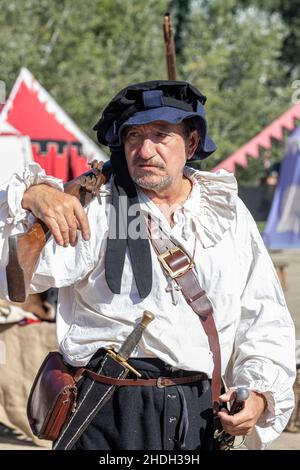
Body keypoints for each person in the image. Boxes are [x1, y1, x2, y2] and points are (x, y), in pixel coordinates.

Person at [0, 80, 295, 450]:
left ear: (190, 143)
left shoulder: (228, 214)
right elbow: (11, 271)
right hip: (107, 410)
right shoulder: (96, 206)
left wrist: (260, 394)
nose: (144, 149)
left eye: (161, 134)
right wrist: (30, 197)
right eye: (134, 136)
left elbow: (264, 318)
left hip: (198, 414)